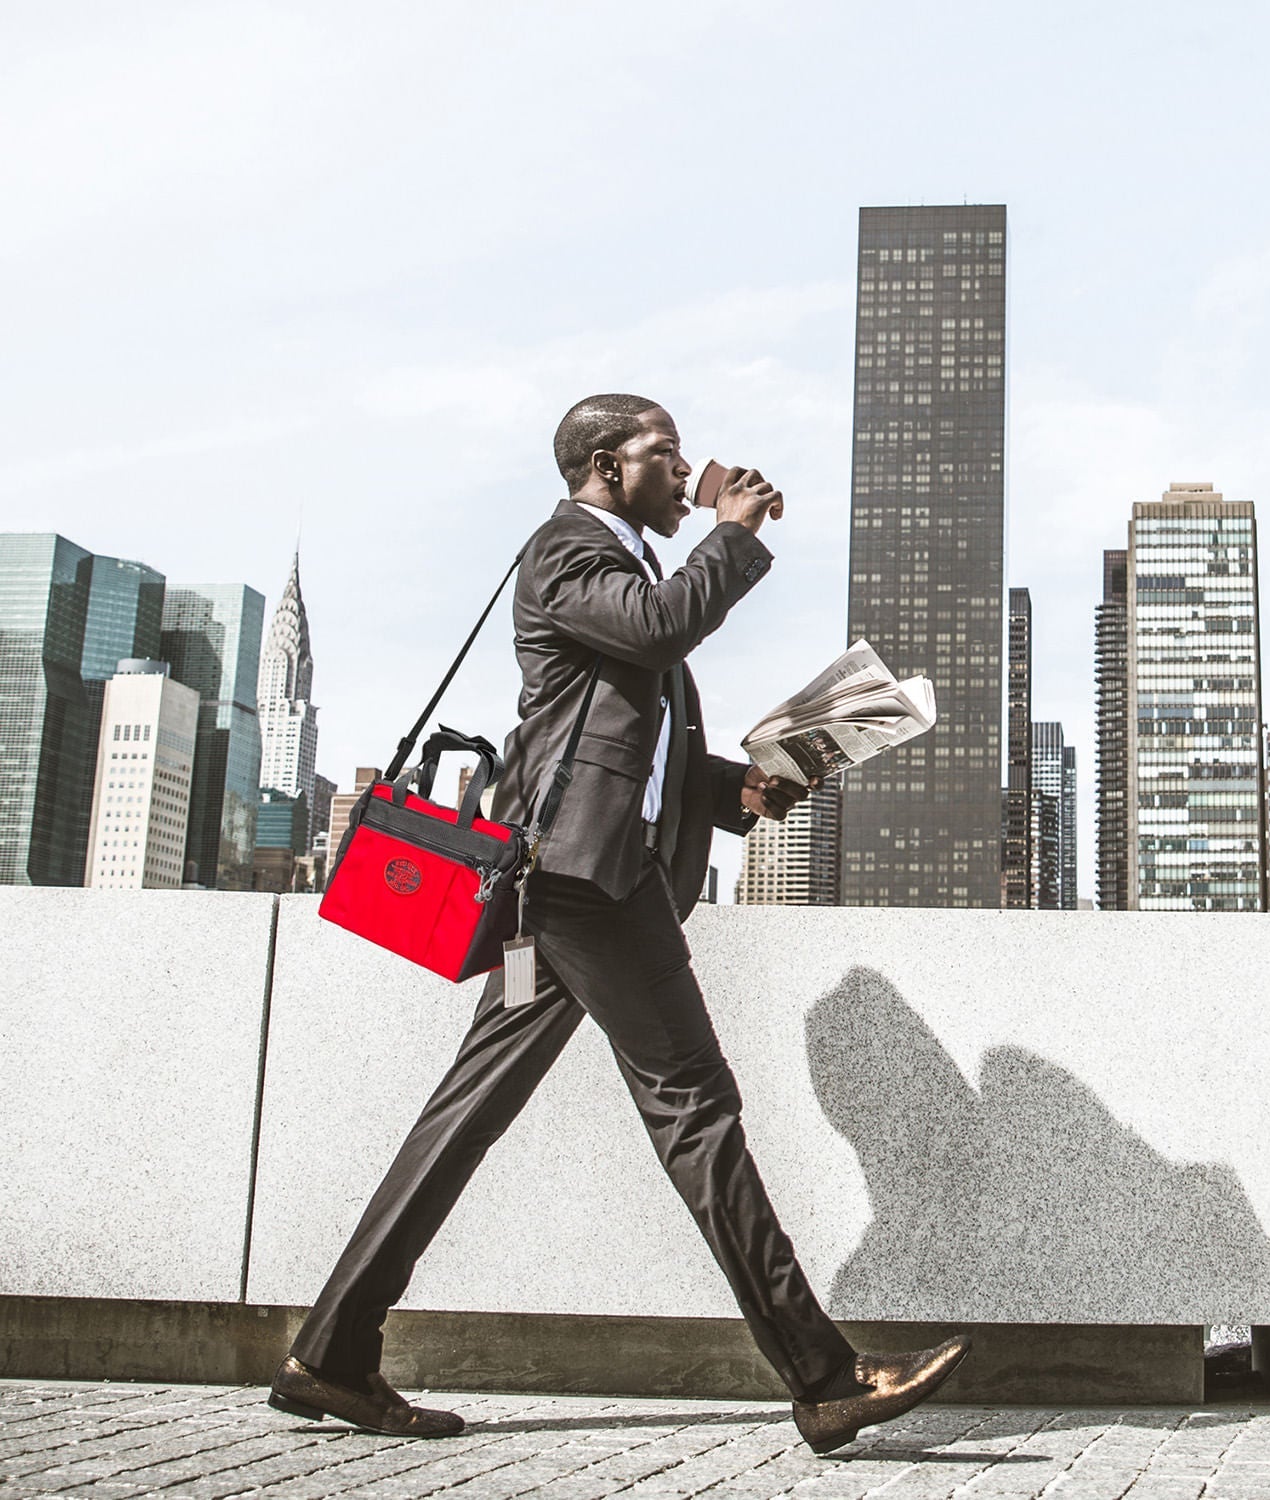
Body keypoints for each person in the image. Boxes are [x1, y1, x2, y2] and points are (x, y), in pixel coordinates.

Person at [268, 394, 969, 1454]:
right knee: (695, 1103)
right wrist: (734, 532)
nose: (687, 471)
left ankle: (332, 1354)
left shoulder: (622, 572)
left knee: (465, 1113)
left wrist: (748, 786)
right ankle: (823, 1377)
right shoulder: (567, 552)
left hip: (572, 889)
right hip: (586, 884)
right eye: (666, 453)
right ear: (605, 465)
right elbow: (658, 631)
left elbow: (635, 750)